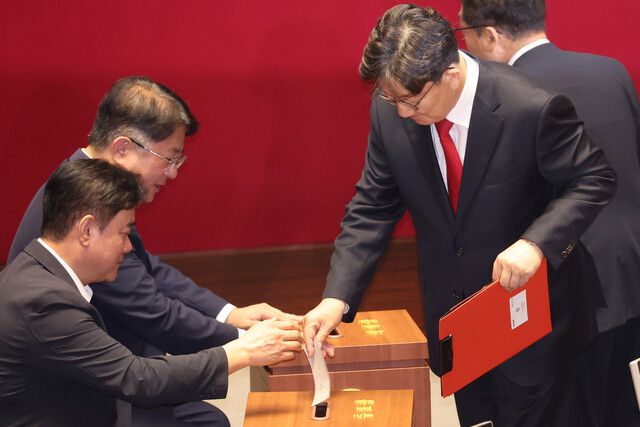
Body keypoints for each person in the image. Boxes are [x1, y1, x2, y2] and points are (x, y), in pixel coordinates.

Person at [303, 4, 617, 426]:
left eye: (411, 101)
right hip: (459, 328)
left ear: (450, 74)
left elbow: (593, 178)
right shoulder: (389, 111)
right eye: (391, 98)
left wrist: (535, 243)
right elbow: (373, 206)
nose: (402, 112)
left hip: (534, 327)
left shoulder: (529, 108)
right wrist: (336, 297)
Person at [7, 76, 295, 426]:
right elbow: (152, 323)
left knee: (208, 418)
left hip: (110, 367)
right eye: (169, 158)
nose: (172, 173)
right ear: (123, 148)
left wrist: (230, 315)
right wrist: (246, 344)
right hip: (88, 393)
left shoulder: (93, 191)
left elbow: (148, 270)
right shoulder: (82, 214)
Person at [458, 1, 640, 425]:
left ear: (490, 35)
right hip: (631, 273)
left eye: (464, 33)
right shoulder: (611, 70)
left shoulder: (504, 96)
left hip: (568, 293)